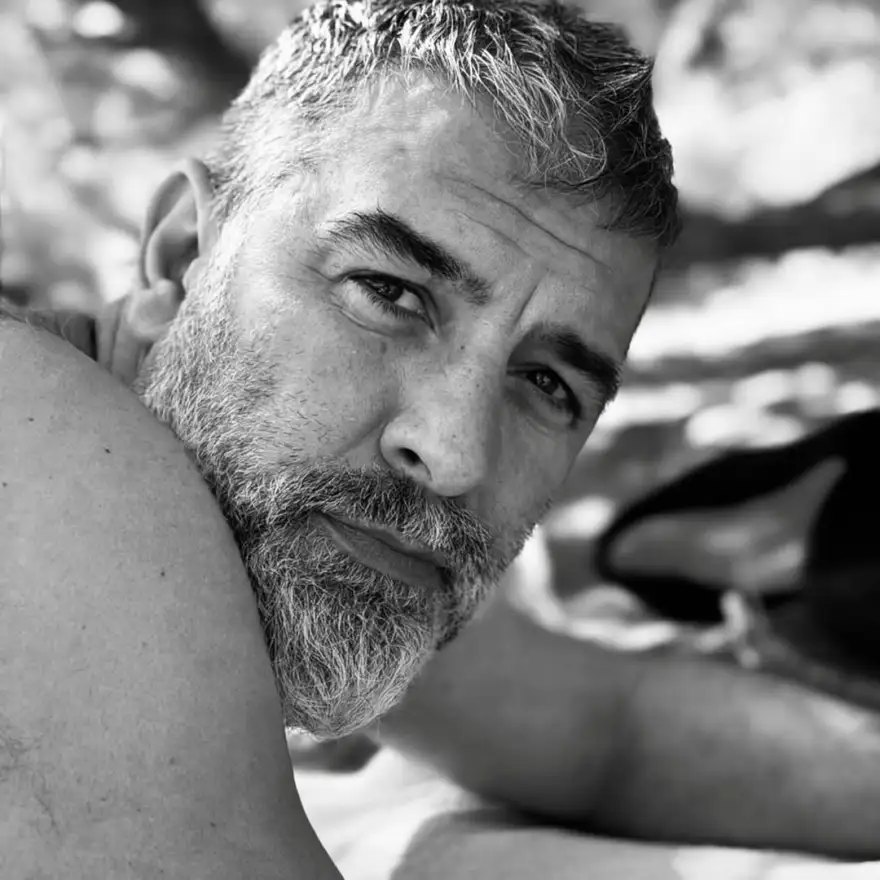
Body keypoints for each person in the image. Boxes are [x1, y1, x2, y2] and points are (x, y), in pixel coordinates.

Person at [2, 2, 879, 877]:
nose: (454, 454)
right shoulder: (43, 445)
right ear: (183, 258)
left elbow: (607, 737)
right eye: (388, 293)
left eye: (547, 384)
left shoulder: (294, 525)